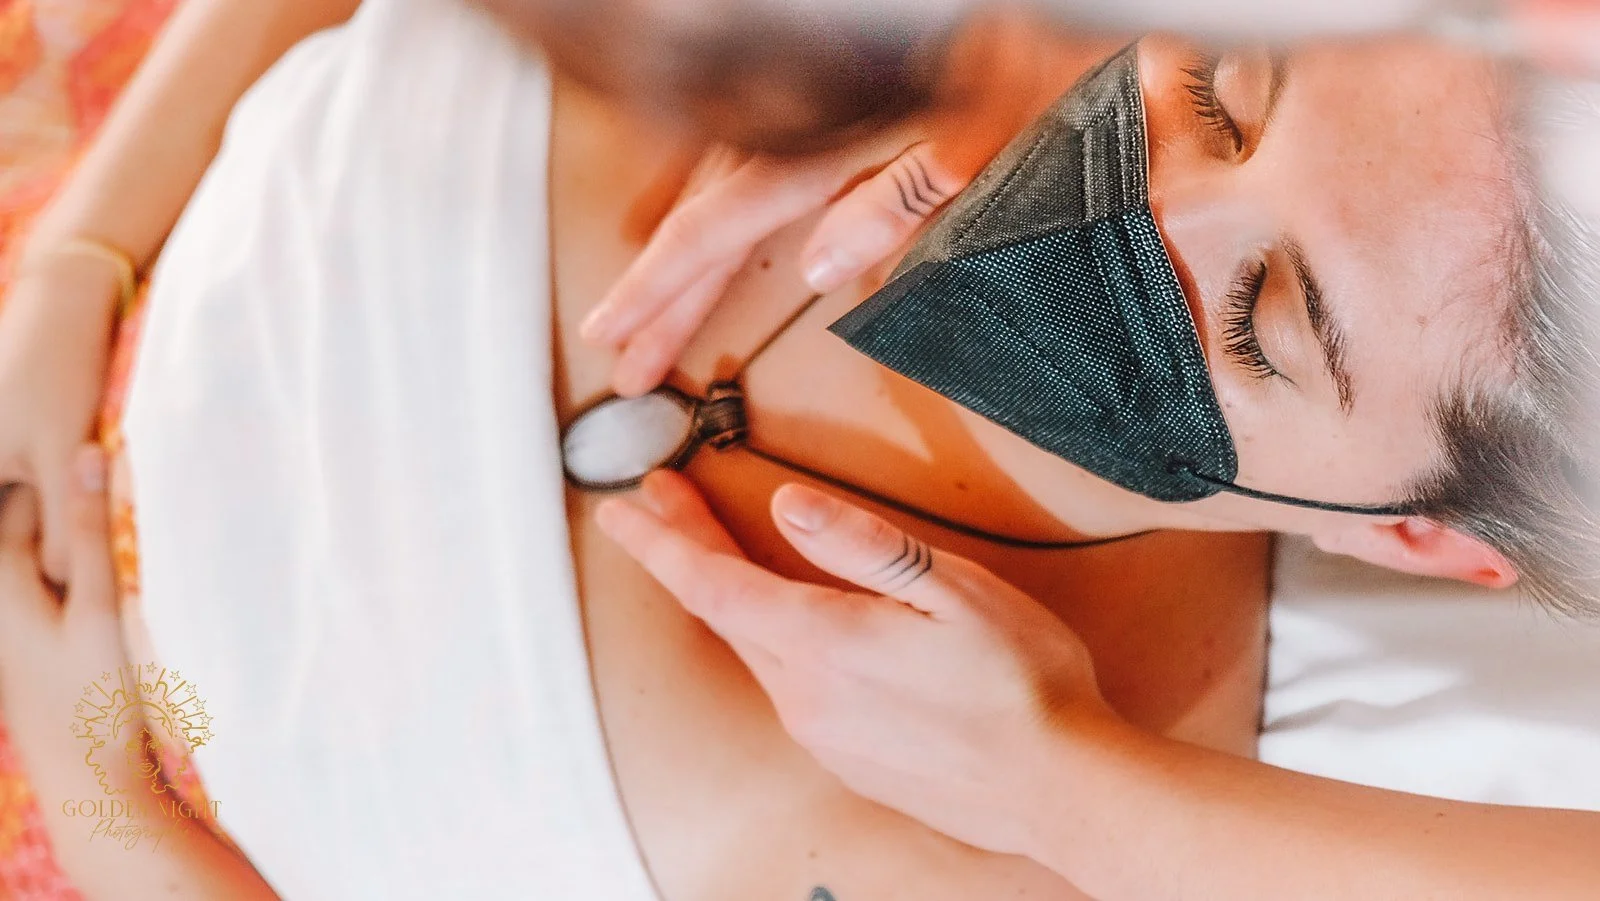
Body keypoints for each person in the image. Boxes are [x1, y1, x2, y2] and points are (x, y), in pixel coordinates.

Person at [0, 2, 1595, 901]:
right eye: (1224, 96)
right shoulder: (860, 34)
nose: (1148, 200)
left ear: (1414, 537)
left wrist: (103, 803)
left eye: (1262, 320)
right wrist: (79, 258)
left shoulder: (978, 843)